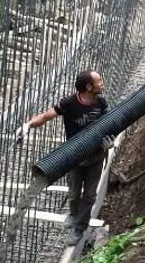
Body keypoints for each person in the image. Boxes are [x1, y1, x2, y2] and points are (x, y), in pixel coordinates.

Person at [16, 71, 114, 246]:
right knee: (74, 192)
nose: (103, 83)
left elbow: (112, 123)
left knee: (90, 195)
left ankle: (79, 228)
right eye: (99, 81)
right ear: (89, 87)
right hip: (75, 156)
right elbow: (47, 116)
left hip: (96, 157)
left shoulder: (101, 102)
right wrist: (28, 125)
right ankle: (73, 213)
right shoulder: (70, 103)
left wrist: (110, 142)